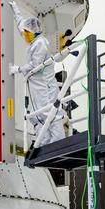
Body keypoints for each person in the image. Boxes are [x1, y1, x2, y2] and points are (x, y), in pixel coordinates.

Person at [10, 13, 66, 146]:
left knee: (49, 114)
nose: (25, 35)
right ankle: (45, 143)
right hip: (38, 86)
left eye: (28, 33)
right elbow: (21, 26)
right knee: (38, 115)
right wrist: (16, 11)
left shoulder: (40, 43)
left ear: (35, 31)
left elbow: (36, 65)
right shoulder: (33, 40)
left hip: (45, 86)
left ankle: (58, 142)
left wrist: (18, 69)